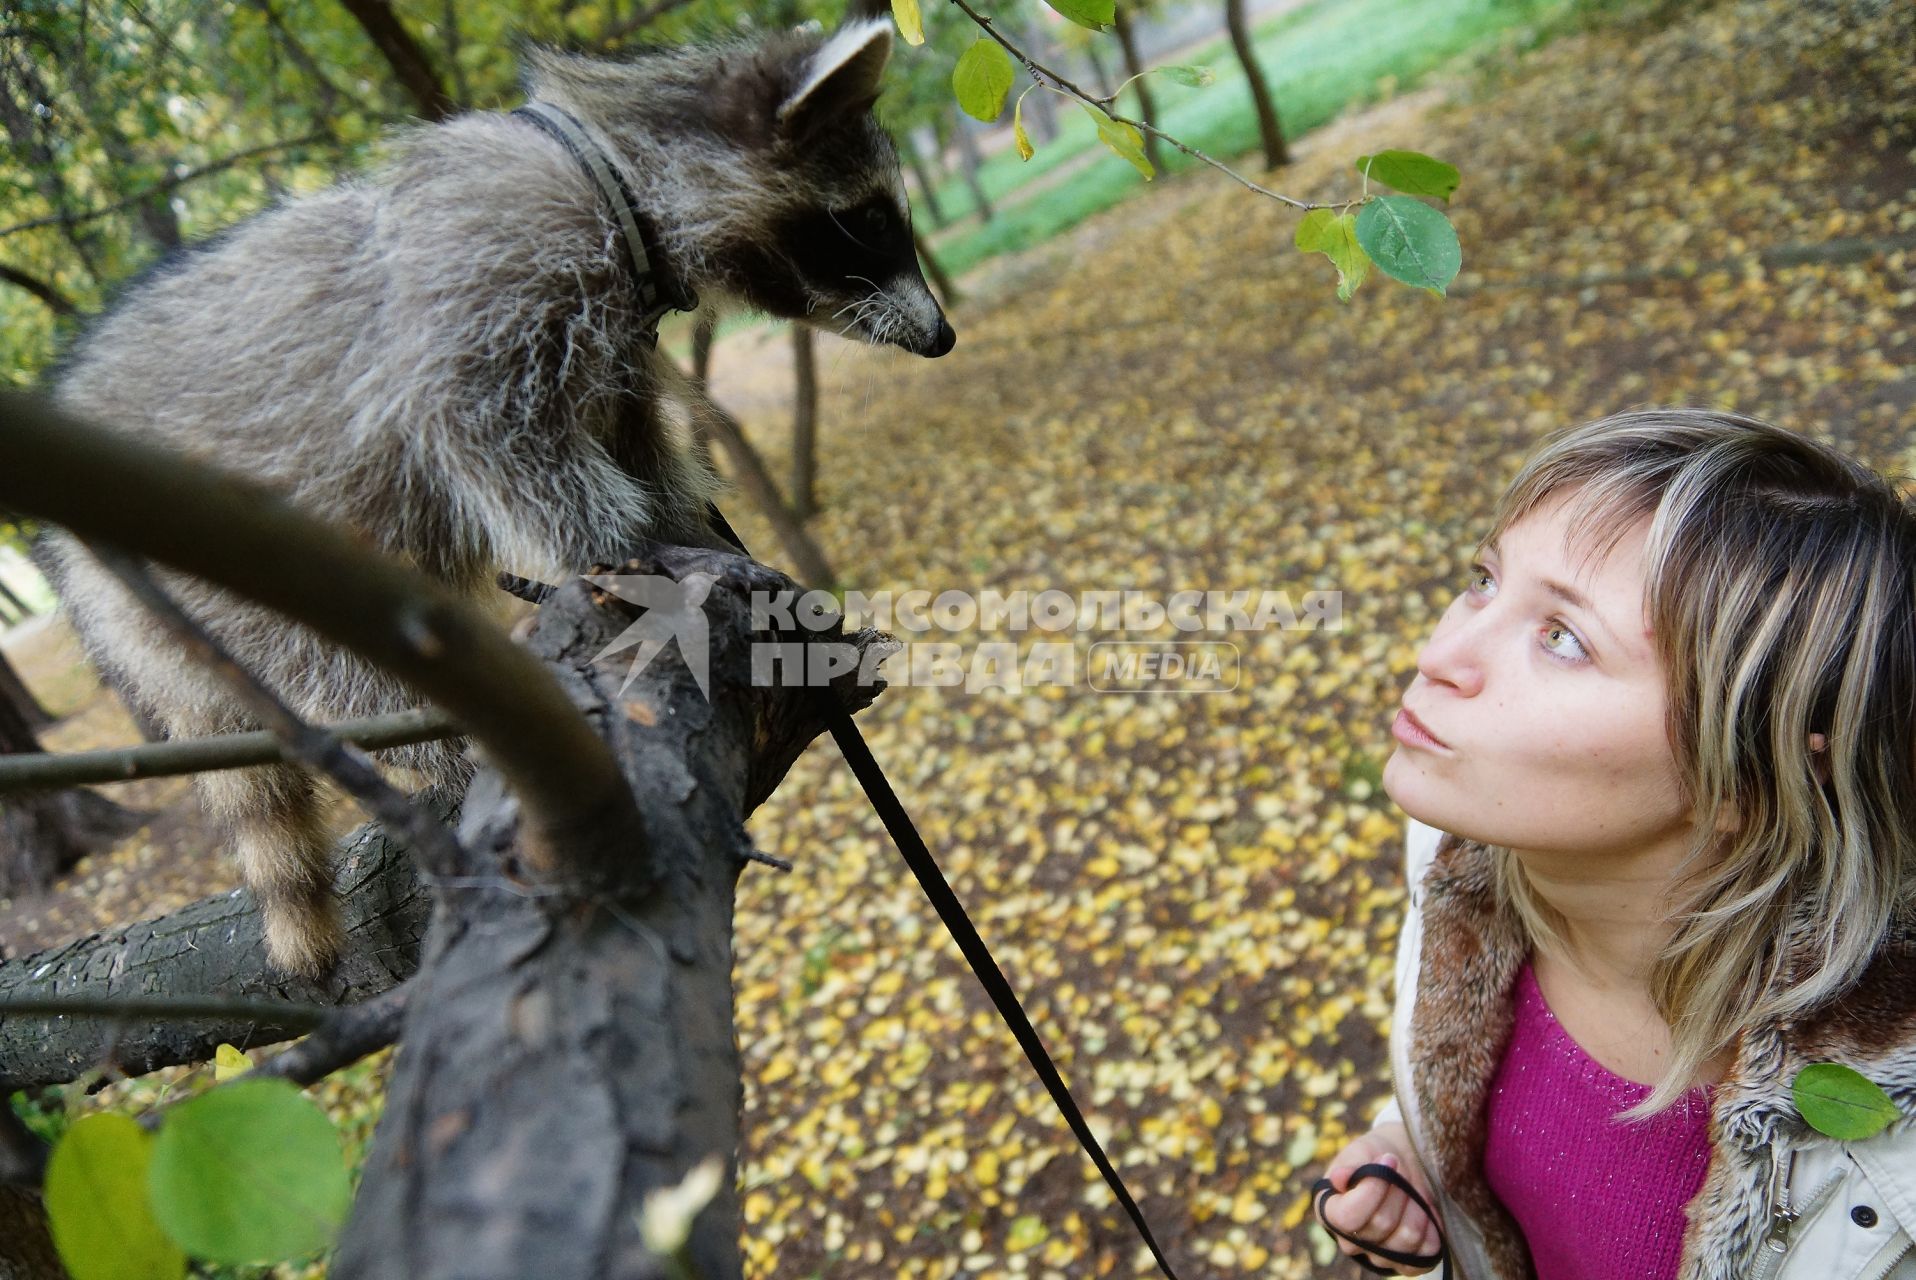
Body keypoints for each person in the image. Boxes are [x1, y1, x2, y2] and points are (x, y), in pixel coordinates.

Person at [1312, 407, 1916, 1278]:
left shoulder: (1885, 1128)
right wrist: (1414, 1151)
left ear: (1747, 776)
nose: (1440, 651)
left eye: (1562, 639)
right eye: (1483, 580)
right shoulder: (1461, 875)